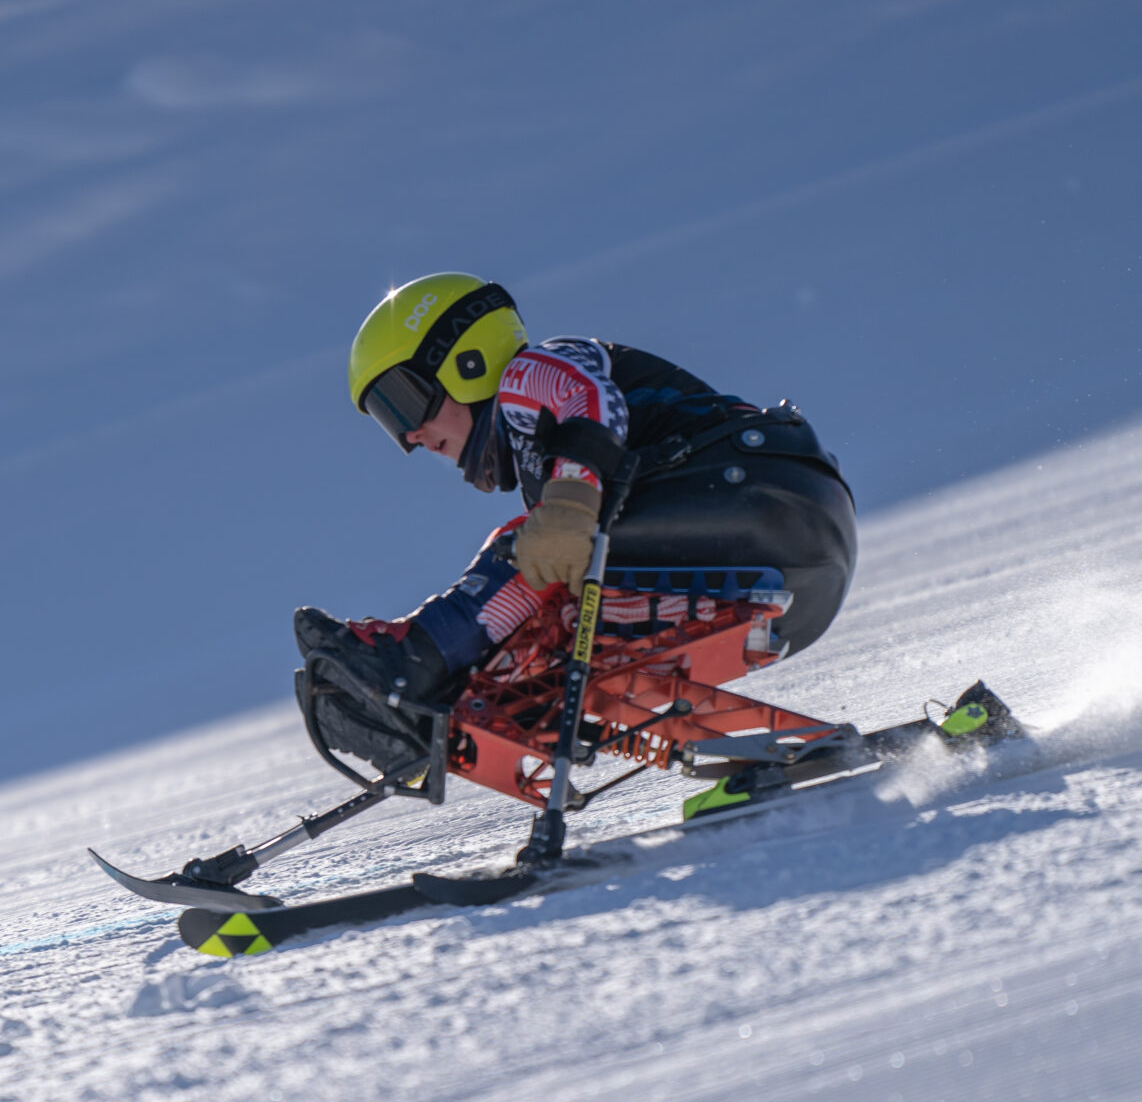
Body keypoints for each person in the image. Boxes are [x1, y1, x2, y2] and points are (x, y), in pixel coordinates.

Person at [294, 273, 858, 777]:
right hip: (791, 563)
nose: (411, 436)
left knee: (528, 548)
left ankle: (411, 664)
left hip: (759, 493)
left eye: (403, 403)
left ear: (465, 359)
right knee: (548, 624)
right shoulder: (548, 456)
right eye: (391, 425)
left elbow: (584, 398)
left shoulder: (531, 373)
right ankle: (429, 703)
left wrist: (567, 505)